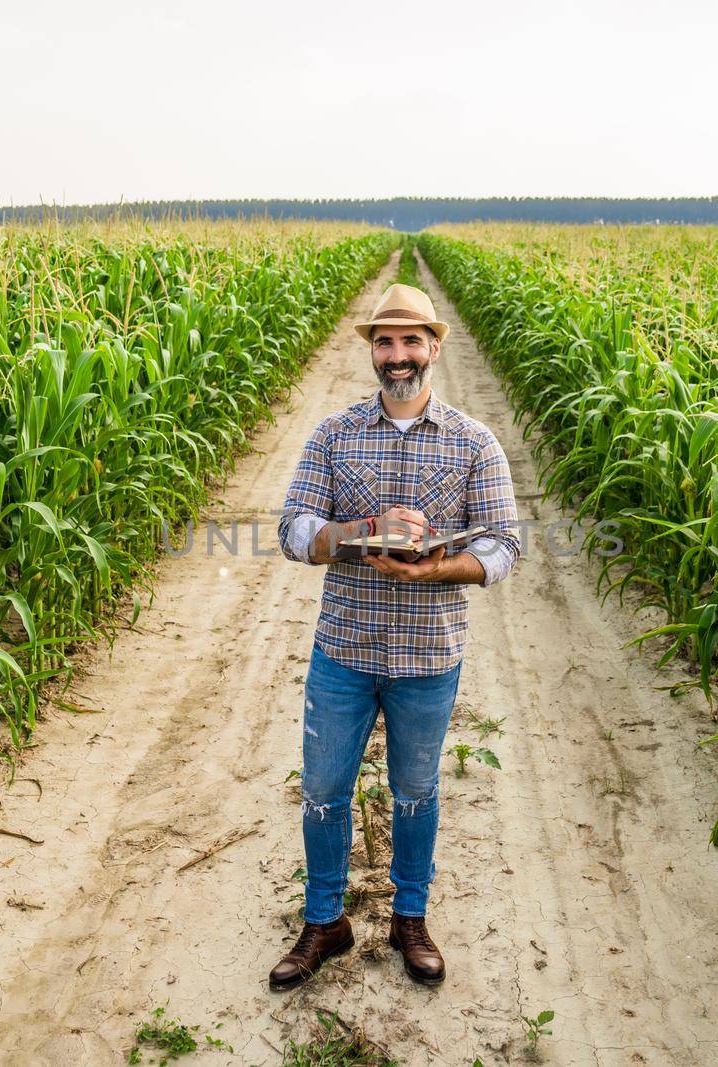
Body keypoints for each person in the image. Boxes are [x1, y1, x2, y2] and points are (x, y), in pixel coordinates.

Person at [270, 281, 522, 991]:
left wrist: (442, 567)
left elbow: (505, 546)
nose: (398, 354)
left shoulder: (474, 443)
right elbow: (292, 532)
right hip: (343, 650)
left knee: (414, 792)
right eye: (385, 341)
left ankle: (410, 917)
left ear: (435, 347)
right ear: (372, 352)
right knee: (322, 791)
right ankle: (326, 920)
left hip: (427, 655)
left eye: (411, 340)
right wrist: (357, 532)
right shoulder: (334, 435)